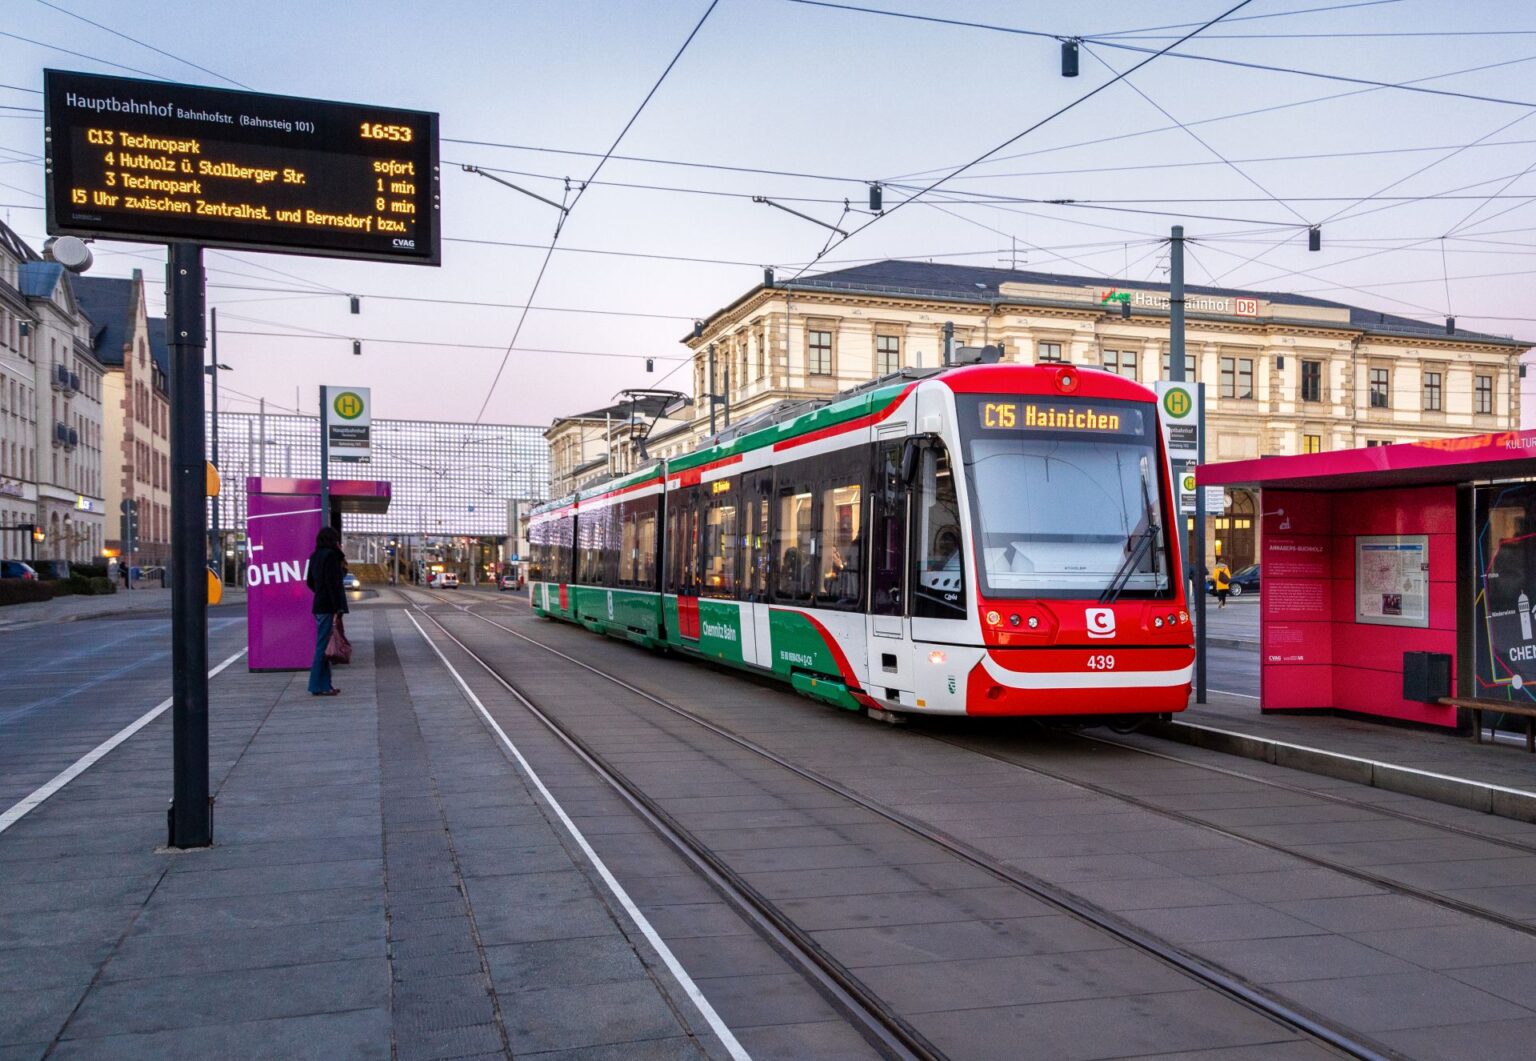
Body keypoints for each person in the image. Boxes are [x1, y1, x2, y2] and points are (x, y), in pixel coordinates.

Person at [304, 526, 348, 697]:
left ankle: (325, 684)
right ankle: (316, 685)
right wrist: (337, 607)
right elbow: (333, 584)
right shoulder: (330, 556)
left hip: (319, 605)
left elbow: (309, 581)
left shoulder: (314, 556)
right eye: (336, 540)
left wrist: (319, 592)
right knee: (322, 647)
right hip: (328, 606)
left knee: (325, 646)